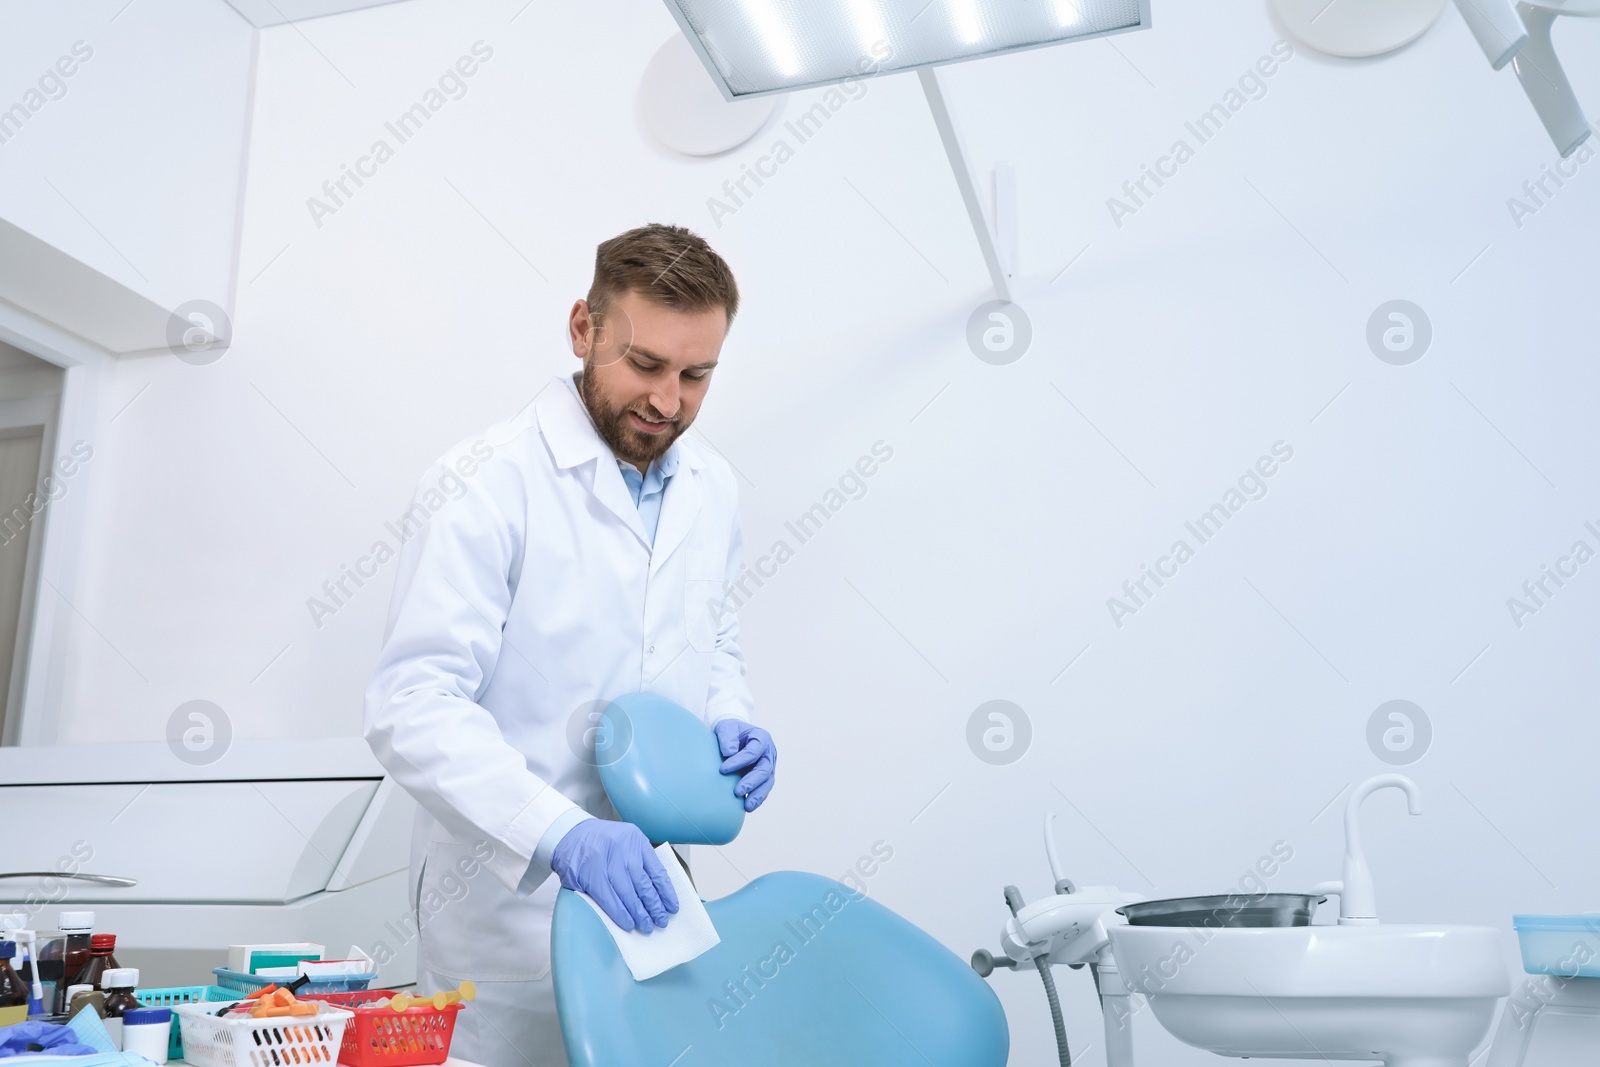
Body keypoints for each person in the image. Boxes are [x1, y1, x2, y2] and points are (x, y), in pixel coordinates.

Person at [364, 224, 777, 1067]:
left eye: (697, 375)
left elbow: (713, 629)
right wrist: (562, 833)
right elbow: (413, 704)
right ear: (584, 329)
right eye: (646, 364)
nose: (669, 400)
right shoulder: (485, 480)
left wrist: (731, 717)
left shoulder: (713, 486)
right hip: (508, 915)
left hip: (659, 909)